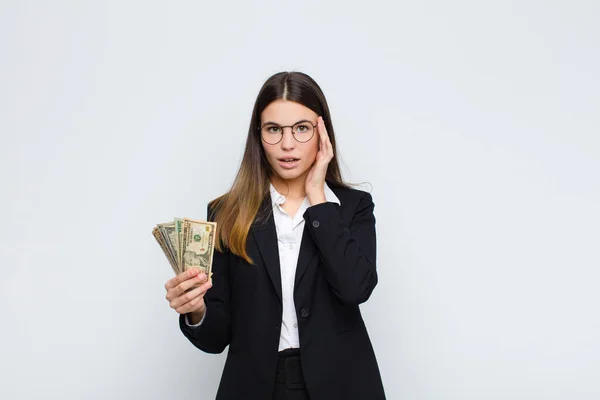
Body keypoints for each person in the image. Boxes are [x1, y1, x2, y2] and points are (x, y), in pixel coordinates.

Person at [164, 71, 386, 400]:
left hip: (342, 384)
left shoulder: (352, 207)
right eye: (274, 129)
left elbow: (356, 288)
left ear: (322, 132)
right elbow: (216, 338)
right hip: (257, 386)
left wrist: (317, 196)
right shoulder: (227, 213)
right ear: (259, 135)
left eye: (301, 128)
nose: (287, 143)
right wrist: (196, 310)